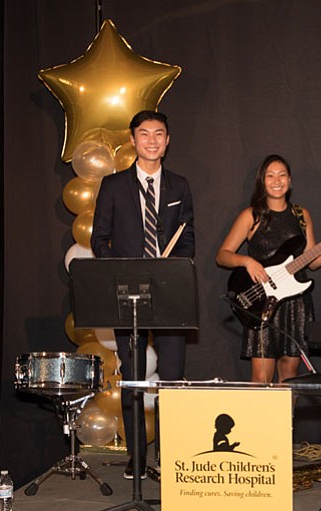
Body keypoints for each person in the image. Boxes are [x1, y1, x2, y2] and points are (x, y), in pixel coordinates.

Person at [90, 110, 195, 479]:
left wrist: (173, 270)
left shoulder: (179, 186)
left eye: (159, 134)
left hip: (169, 296)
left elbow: (189, 238)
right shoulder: (114, 185)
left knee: (173, 379)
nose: (152, 140)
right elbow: (98, 239)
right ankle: (137, 457)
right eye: (144, 134)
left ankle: (172, 455)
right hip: (127, 296)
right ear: (133, 140)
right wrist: (122, 269)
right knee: (132, 379)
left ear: (167, 141)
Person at [216, 154, 321, 383]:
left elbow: (313, 261)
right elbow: (222, 256)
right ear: (262, 181)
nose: (277, 180)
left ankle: (285, 420)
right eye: (270, 175)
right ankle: (260, 421)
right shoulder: (252, 215)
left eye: (282, 175)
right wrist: (247, 261)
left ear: (290, 180)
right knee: (261, 377)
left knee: (290, 375)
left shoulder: (301, 215)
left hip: (295, 304)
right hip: (262, 302)